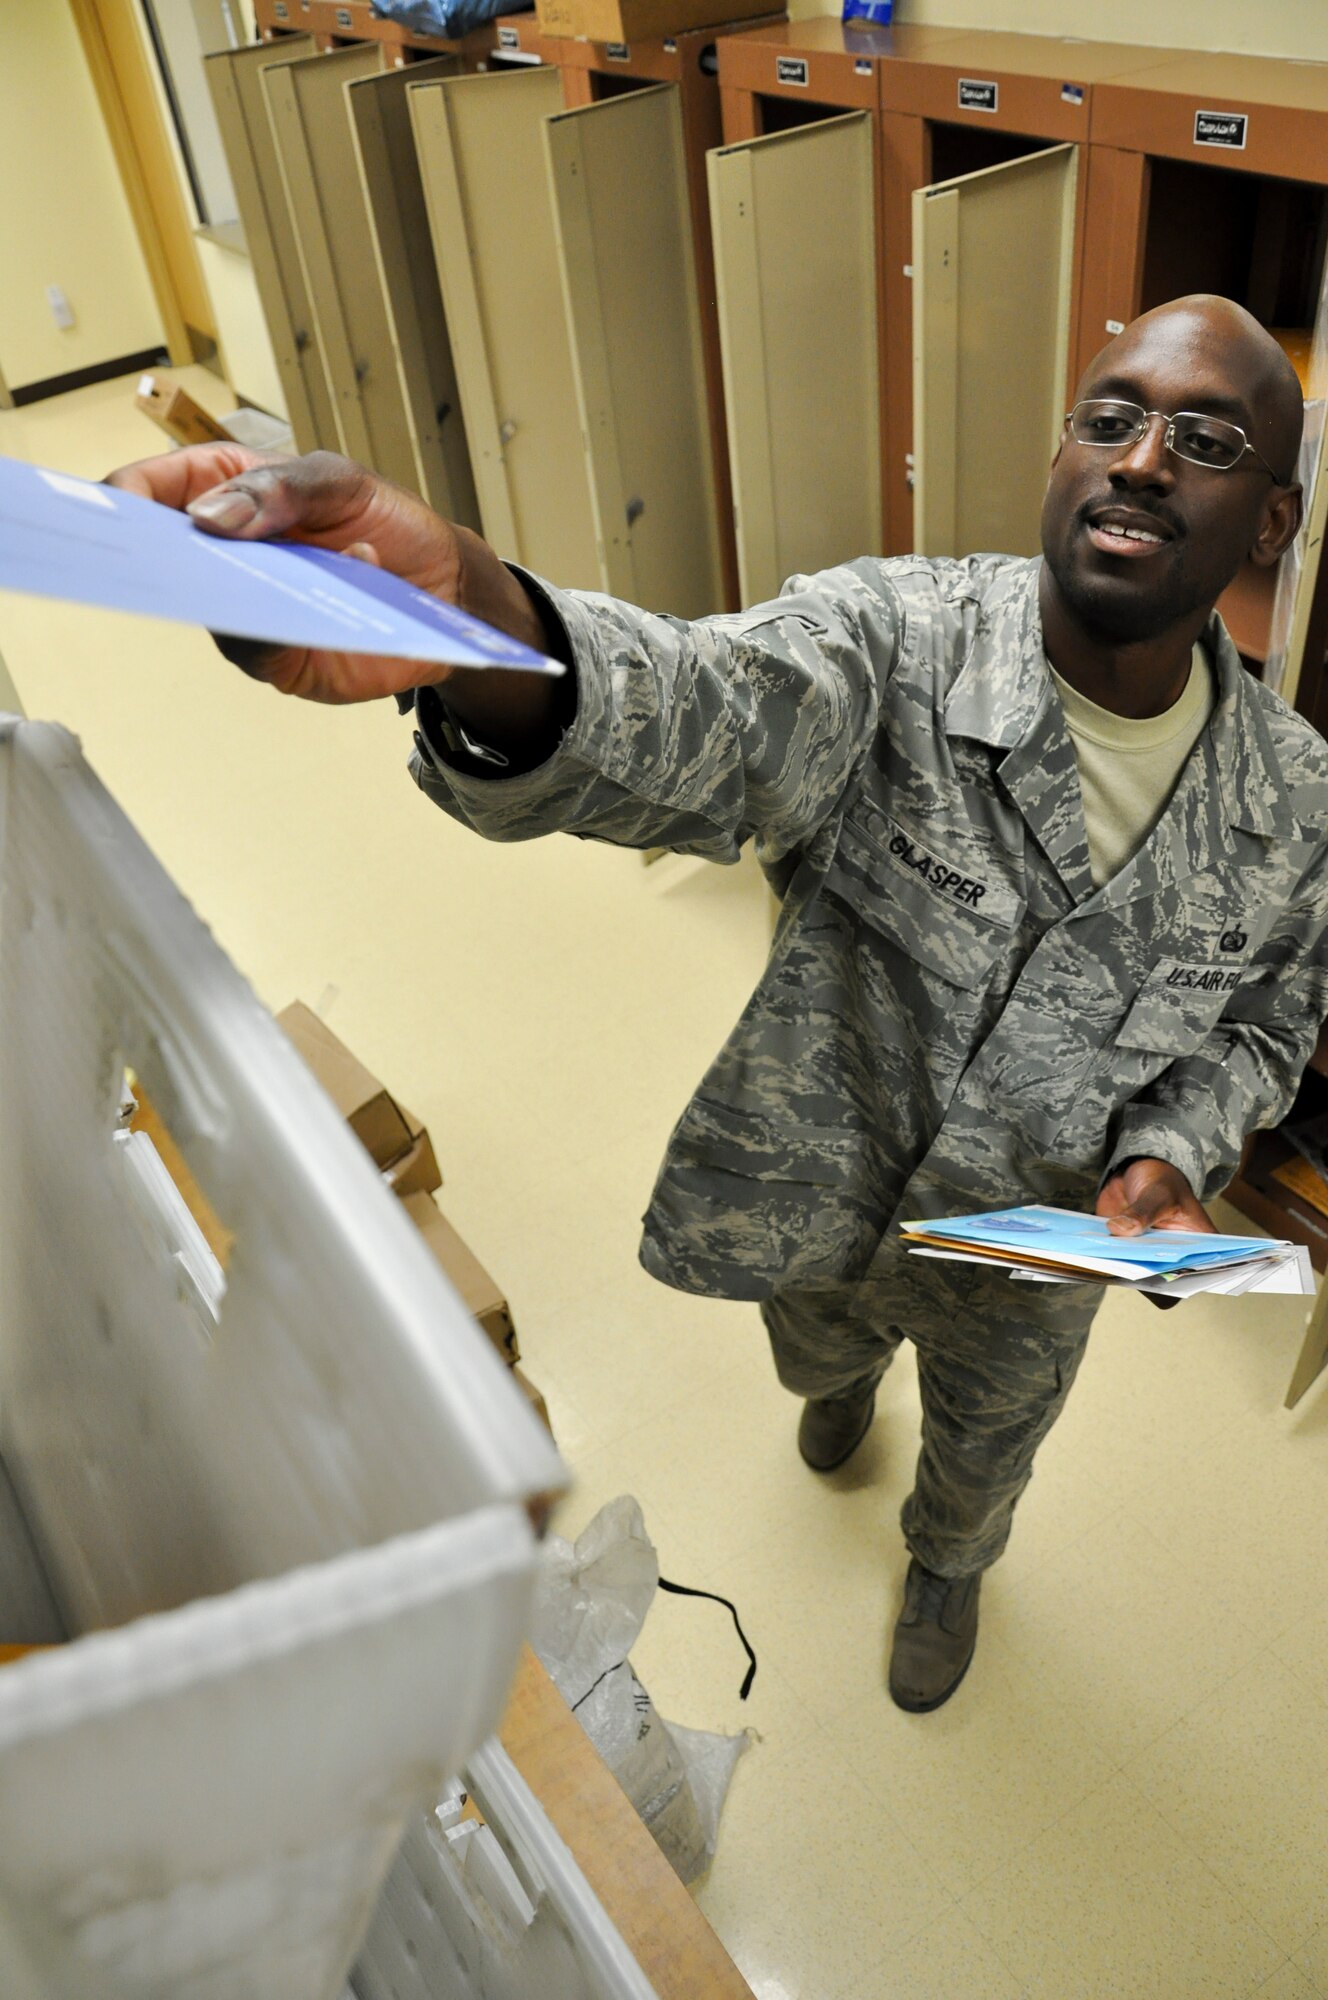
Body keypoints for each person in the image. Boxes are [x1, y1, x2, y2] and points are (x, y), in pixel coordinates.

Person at [108, 293, 1328, 1712]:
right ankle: (841, 1379)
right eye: (1108, 420)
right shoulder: (896, 644)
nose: (1138, 460)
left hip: (1041, 1247)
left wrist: (1177, 1148)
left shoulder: (1292, 800)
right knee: (817, 1344)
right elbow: (710, 707)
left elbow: (1264, 1025)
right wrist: (487, 630)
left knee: (993, 1436)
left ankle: (947, 1562)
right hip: (826, 1185)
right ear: (1063, 461)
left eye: (1204, 439)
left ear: (1270, 522)